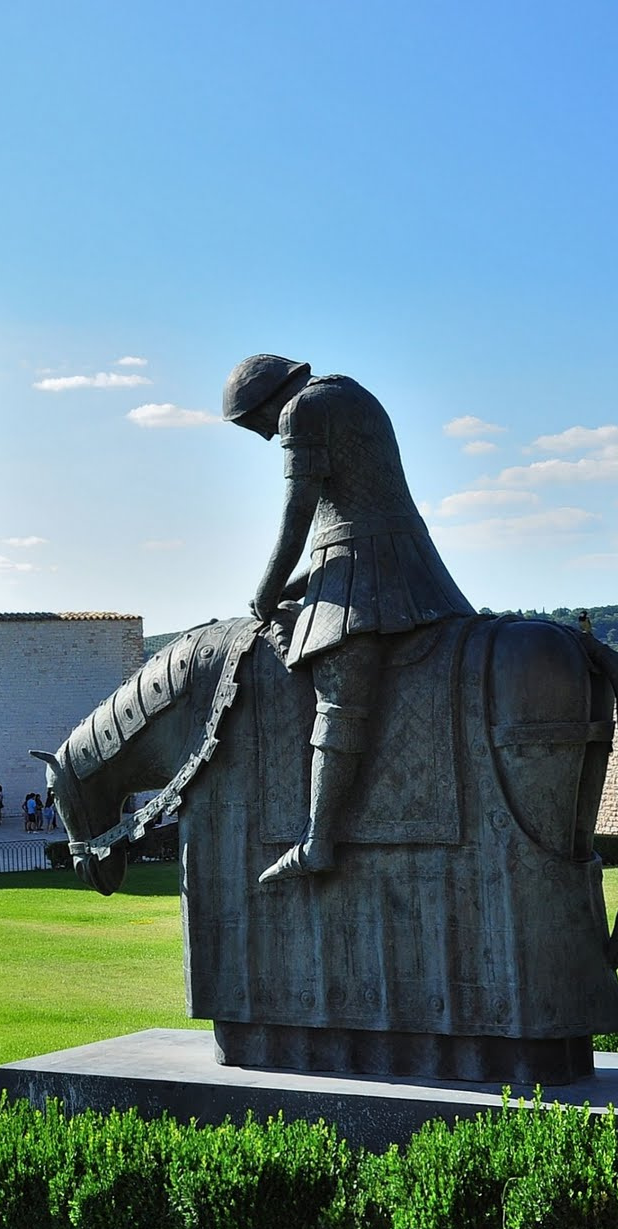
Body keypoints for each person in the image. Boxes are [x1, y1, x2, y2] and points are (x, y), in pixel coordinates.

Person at [222, 355, 474, 883]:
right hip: (393, 555)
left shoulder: (301, 411)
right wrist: (291, 589)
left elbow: (299, 513)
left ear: (266, 400)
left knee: (340, 699)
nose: (266, 436)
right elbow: (341, 527)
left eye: (254, 425)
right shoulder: (350, 393)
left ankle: (317, 842)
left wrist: (267, 590)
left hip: (369, 568)